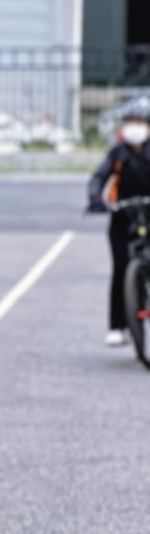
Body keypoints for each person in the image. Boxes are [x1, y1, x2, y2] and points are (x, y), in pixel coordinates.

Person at [87, 93, 150, 346]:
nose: (135, 124)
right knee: (121, 269)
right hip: (123, 217)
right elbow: (99, 178)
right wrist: (95, 198)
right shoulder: (118, 153)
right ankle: (117, 326)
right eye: (130, 119)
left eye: (140, 119)